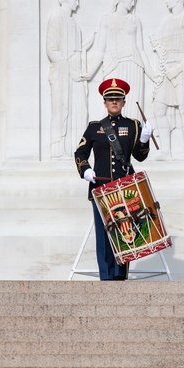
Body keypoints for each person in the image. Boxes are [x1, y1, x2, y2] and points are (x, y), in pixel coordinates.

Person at [73, 77, 153, 281]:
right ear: (105, 102)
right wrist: (85, 170)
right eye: (110, 99)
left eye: (118, 98)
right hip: (100, 187)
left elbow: (139, 156)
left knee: (125, 230)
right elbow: (80, 153)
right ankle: (106, 276)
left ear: (124, 101)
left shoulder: (133, 125)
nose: (114, 102)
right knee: (103, 233)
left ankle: (119, 275)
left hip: (125, 187)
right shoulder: (94, 127)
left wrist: (144, 140)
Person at [149, 0, 184, 161]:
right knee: (159, 108)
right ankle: (165, 151)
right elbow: (162, 47)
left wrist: (179, 68)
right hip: (165, 68)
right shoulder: (165, 21)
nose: (166, 1)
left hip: (181, 68)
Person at [46, 0, 95, 158]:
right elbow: (52, 50)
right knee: (61, 110)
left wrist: (84, 47)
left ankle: (78, 151)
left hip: (74, 74)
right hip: (63, 75)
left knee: (80, 111)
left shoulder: (73, 22)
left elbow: (74, 50)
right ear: (67, 0)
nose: (78, 3)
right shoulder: (56, 18)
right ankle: (59, 150)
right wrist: (69, 71)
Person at [95, 0, 158, 115]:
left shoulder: (135, 20)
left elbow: (141, 49)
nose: (133, 4)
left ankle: (134, 134)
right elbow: (100, 50)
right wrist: (89, 72)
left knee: (133, 106)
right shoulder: (107, 19)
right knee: (112, 101)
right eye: (131, 0)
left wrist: (152, 75)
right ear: (122, 0)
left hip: (133, 65)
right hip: (113, 64)